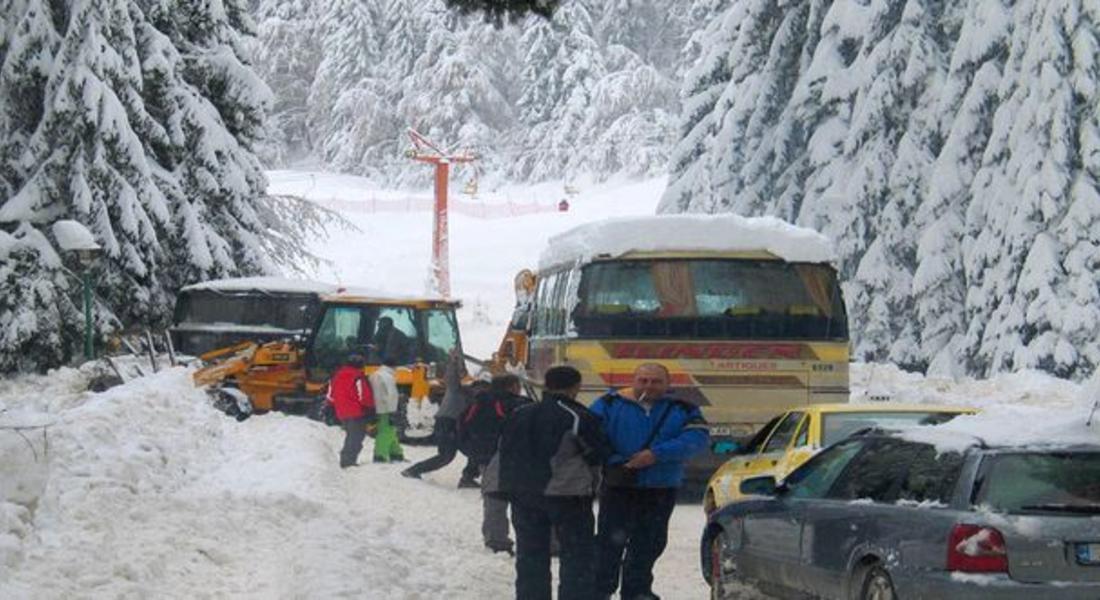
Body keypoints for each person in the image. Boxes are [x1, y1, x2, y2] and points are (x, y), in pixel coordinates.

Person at [484, 365, 611, 600]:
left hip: (523, 495)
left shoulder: (519, 413)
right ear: (576, 387)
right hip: (568, 496)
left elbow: (503, 450)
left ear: (547, 385)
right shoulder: (578, 416)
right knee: (576, 558)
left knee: (531, 557)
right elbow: (596, 454)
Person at [591, 363, 709, 600]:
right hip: (619, 485)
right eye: (643, 380)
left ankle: (637, 591)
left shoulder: (684, 409)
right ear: (634, 380)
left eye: (656, 381)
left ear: (667, 384)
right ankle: (601, 591)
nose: (649, 386)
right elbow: (591, 435)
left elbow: (697, 438)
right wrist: (616, 460)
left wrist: (657, 454)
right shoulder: (608, 404)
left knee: (650, 543)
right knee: (609, 543)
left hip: (660, 487)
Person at [458, 373, 530, 555]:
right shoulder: (520, 404)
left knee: (494, 499)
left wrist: (472, 452)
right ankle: (533, 539)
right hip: (517, 458)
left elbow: (462, 426)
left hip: (485, 457)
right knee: (526, 500)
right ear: (512, 386)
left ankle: (496, 540)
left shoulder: (477, 402)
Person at [400, 350, 482, 486]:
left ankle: (467, 478)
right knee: (446, 456)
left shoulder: (474, 396)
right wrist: (453, 361)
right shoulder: (456, 390)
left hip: (456, 425)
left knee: (476, 451)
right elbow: (451, 378)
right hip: (446, 423)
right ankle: (413, 470)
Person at [326, 354, 375, 469]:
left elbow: (330, 397)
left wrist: (335, 406)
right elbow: (364, 396)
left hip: (341, 412)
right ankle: (348, 462)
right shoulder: (358, 377)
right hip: (356, 412)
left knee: (350, 435)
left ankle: (347, 459)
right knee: (355, 437)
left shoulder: (336, 376)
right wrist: (370, 408)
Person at [369, 356, 405, 463]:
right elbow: (392, 395)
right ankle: (380, 455)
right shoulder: (388, 377)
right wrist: (393, 411)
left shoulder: (374, 374)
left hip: (376, 408)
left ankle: (396, 453)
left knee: (389, 430)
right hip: (386, 408)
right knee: (386, 431)